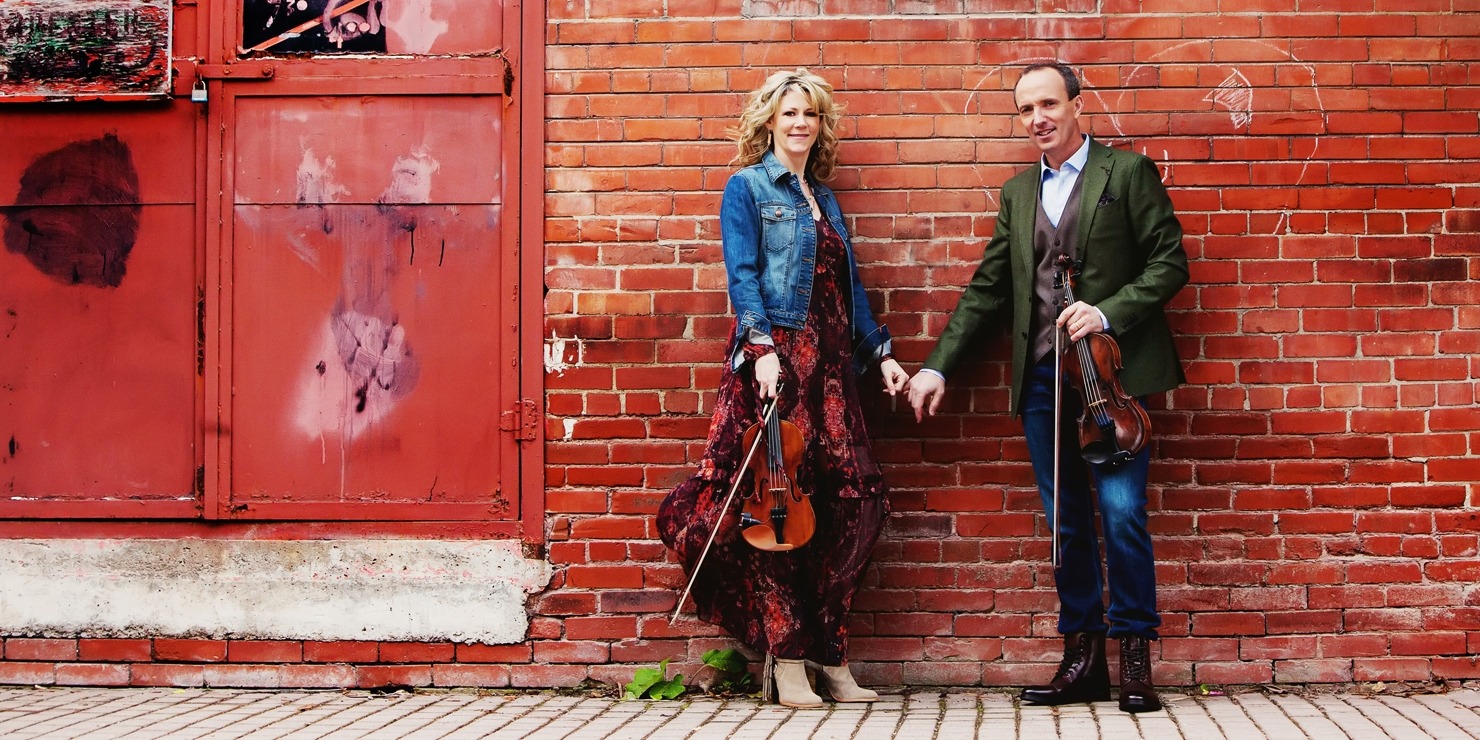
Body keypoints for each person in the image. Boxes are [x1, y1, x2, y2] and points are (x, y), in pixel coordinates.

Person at [905, 63, 1189, 714]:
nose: (1038, 118)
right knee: (1065, 523)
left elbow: (1170, 261)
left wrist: (1107, 310)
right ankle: (1083, 660)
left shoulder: (1127, 174)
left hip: (1108, 378)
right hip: (1042, 379)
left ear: (1076, 106)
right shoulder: (1017, 193)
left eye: (1048, 104)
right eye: (1026, 109)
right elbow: (987, 289)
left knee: (1121, 513)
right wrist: (937, 366)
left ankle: (1135, 658)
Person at [658, 68, 909, 708]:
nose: (800, 123)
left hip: (831, 372)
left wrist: (879, 353)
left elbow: (847, 293)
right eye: (789, 112)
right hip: (777, 367)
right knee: (774, 513)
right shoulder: (747, 189)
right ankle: (787, 657)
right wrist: (762, 350)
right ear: (768, 120)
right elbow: (743, 278)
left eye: (811, 115)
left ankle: (831, 655)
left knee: (850, 508)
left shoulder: (826, 199)